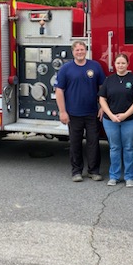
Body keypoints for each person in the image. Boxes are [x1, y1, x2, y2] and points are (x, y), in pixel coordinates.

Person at [55, 40, 106, 182]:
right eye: (77, 50)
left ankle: (94, 171)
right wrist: (62, 111)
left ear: (86, 50)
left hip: (92, 113)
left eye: (82, 50)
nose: (80, 52)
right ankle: (76, 171)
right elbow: (59, 91)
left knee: (93, 143)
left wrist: (102, 106)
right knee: (75, 143)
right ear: (73, 52)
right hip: (73, 113)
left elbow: (102, 88)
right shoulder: (66, 69)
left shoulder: (95, 66)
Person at [98, 54, 133, 188]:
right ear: (114, 64)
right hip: (110, 120)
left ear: (127, 64)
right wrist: (110, 115)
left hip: (131, 120)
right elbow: (102, 99)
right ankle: (114, 176)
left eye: (123, 63)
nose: (120, 65)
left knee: (129, 148)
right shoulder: (109, 80)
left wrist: (125, 115)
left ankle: (129, 177)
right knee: (114, 147)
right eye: (118, 63)